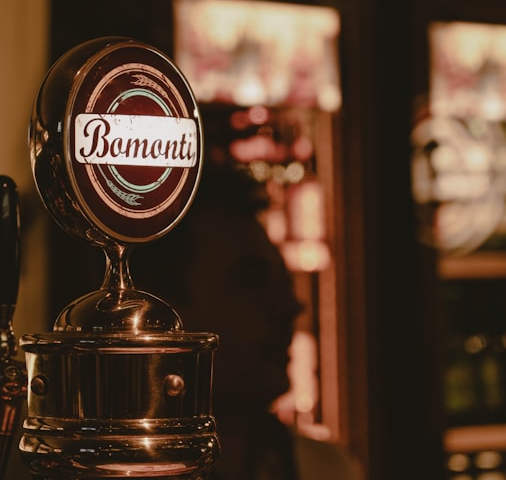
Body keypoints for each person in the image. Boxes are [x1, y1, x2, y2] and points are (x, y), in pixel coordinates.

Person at [133, 153, 363, 480]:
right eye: (251, 282)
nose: (289, 306)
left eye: (282, 283)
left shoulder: (326, 468)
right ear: (163, 314)